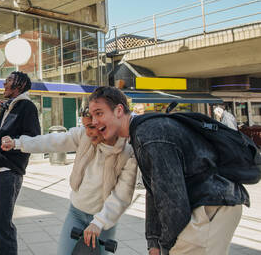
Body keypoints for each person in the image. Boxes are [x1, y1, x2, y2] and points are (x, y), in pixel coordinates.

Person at [88, 86, 249, 255]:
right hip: (215, 202)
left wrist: (165, 245)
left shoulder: (148, 135)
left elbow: (172, 201)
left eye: (99, 113)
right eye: (92, 115)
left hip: (211, 205)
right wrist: (154, 241)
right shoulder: (142, 130)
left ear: (119, 110)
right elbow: (155, 190)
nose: (94, 121)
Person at [0, 104, 137, 255]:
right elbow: (52, 141)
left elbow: (122, 195)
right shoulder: (82, 136)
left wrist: (99, 222)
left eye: (92, 127)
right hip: (76, 213)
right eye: (85, 127)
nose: (88, 133)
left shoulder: (127, 151)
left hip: (103, 219)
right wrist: (18, 143)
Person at [0, 71, 40, 255]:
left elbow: (32, 138)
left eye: (9, 80)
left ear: (20, 85)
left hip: (9, 173)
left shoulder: (26, 107)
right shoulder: (10, 107)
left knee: (3, 226)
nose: (4, 83)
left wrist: (3, 155)